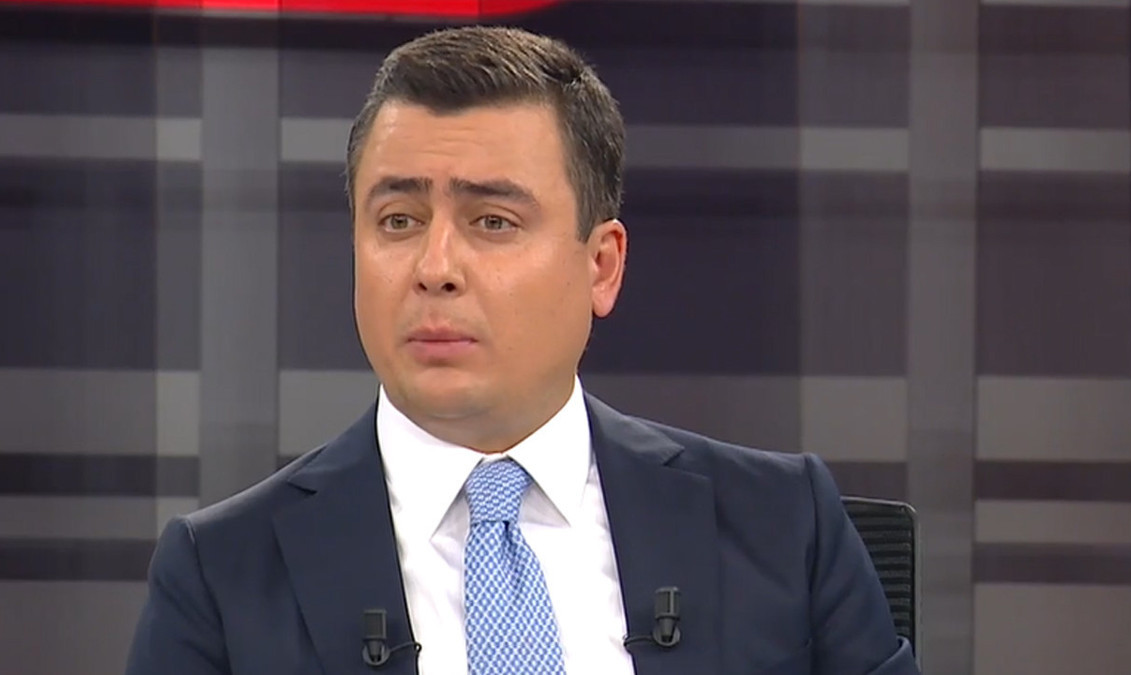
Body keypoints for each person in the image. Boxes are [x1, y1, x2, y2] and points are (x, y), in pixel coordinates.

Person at [125, 25, 920, 675]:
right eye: (398, 220)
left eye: (492, 222)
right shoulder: (223, 575)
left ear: (601, 265)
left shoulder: (782, 527)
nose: (435, 267)